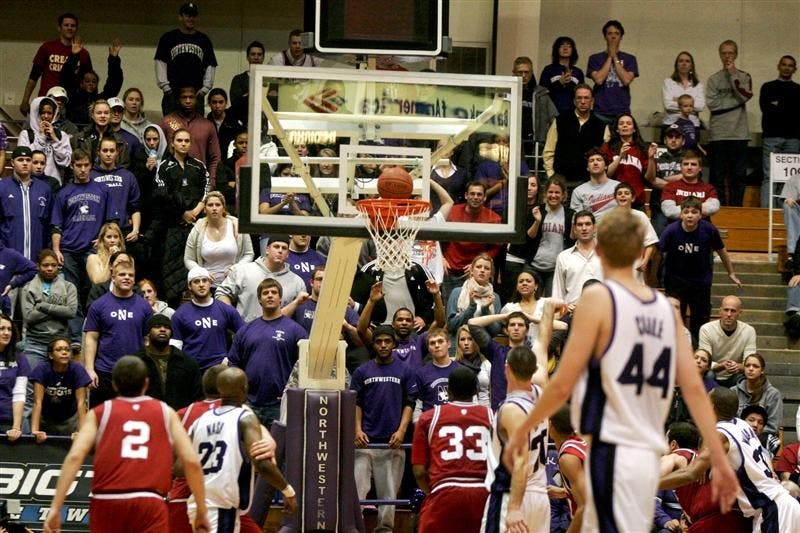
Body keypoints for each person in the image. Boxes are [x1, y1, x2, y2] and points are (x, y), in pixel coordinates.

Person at [504, 207, 740, 532]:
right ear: (640, 253)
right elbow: (696, 389)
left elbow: (562, 384)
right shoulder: (665, 307)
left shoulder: (599, 298)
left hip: (611, 445)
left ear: (599, 251)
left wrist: (524, 428)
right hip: (647, 453)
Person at [43, 356, 210, 533]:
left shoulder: (100, 412)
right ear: (146, 384)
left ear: (114, 385)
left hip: (107, 501)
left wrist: (55, 508)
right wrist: (201, 509)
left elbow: (75, 456)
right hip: (149, 501)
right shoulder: (165, 412)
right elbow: (191, 462)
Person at [660, 387, 800, 531]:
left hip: (773, 510)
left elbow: (690, 474)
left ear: (712, 406)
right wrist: (706, 457)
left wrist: (652, 485)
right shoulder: (741, 424)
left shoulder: (720, 435)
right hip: (781, 504)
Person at [187, 366, 297, 530]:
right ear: (245, 388)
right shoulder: (244, 418)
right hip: (222, 508)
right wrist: (288, 492)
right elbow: (262, 463)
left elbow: (180, 467)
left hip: (198, 505)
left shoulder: (201, 420)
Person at [483, 300, 558, 533]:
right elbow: (543, 342)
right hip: (540, 497)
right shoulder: (541, 391)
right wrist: (549, 309)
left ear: (506, 369)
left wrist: (514, 508)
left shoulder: (512, 409)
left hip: (513, 496)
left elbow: (521, 462)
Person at [351, 324, 417, 533]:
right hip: (365, 441)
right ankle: (354, 528)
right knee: (357, 492)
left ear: (394, 344)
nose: (383, 345)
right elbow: (356, 403)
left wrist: (401, 431)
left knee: (388, 496)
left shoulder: (405, 371)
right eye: (379, 341)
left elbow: (410, 403)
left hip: (392, 442)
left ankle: (385, 530)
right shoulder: (363, 371)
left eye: (387, 341)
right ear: (374, 344)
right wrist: (357, 430)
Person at [411, 366, 493, 532]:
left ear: (448, 391)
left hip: (444, 491)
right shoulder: (493, 416)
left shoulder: (428, 417)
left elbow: (419, 471)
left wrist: (431, 492)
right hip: (482, 493)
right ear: (476, 390)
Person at [51, 148, 116, 345]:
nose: (83, 169)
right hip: (69, 250)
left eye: (86, 165)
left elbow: (110, 221)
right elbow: (56, 224)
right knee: (72, 294)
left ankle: (94, 332)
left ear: (91, 166)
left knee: (94, 292)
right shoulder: (64, 193)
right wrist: (56, 249)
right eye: (78, 166)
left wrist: (102, 237)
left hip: (93, 250)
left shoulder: (102, 190)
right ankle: (75, 337)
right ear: (72, 167)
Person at [227, 278, 307, 428]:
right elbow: (233, 364)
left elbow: (305, 366)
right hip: (249, 403)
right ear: (259, 300)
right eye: (265, 293)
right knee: (249, 449)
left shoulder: (296, 331)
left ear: (280, 298)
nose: (270, 295)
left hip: (281, 404)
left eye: (274, 292)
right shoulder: (245, 330)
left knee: (279, 450)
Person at [660, 197, 741, 343]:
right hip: (675, 282)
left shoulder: (709, 230)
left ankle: (699, 353)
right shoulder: (670, 231)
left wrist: (731, 273)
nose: (690, 215)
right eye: (686, 212)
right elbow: (658, 253)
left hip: (700, 283)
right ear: (681, 214)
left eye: (694, 212)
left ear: (701, 215)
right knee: (675, 320)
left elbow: (721, 250)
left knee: (700, 321)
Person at [83, 260, 152, 407]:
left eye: (130, 275)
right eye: (122, 274)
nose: (127, 277)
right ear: (113, 278)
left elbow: (148, 340)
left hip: (135, 371)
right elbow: (91, 338)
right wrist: (89, 369)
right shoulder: (99, 305)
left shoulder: (144, 306)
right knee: (102, 421)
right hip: (105, 371)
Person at [152, 128, 209, 306]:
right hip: (173, 223)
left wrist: (197, 210)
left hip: (197, 222)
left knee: (198, 263)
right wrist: (182, 213)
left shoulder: (198, 166)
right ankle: (174, 306)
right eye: (180, 140)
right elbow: (162, 194)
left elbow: (207, 188)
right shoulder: (164, 166)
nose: (183, 144)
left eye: (186, 141)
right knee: (172, 268)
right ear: (172, 143)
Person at [706, 40, 753, 207]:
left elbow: (745, 95)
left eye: (730, 53)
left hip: (739, 134)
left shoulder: (744, 76)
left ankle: (736, 208)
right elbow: (712, 104)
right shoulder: (713, 79)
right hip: (718, 135)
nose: (727, 56)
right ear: (720, 55)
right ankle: (719, 208)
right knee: (717, 176)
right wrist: (736, 101)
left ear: (736, 54)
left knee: (738, 176)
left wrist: (733, 75)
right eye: (724, 53)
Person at [216, 235, 306, 321]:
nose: (280, 251)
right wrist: (235, 320)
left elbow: (302, 314)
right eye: (276, 246)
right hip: (245, 331)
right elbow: (222, 293)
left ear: (287, 254)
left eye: (284, 248)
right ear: (267, 249)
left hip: (280, 334)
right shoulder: (244, 271)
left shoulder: (297, 282)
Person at [171, 266, 245, 371]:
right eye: (196, 281)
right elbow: (175, 348)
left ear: (210, 283)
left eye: (204, 280)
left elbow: (245, 336)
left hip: (220, 369)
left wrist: (231, 357)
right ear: (189, 286)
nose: (201, 285)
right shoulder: (180, 314)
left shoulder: (225, 310)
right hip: (192, 370)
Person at [20, 12, 92, 115]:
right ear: (59, 28)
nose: (70, 28)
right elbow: (33, 77)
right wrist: (25, 99)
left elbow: (88, 82)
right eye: (66, 25)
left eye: (73, 26)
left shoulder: (84, 54)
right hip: (46, 99)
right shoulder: (47, 48)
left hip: (71, 103)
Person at [441, 181, 502, 300]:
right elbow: (436, 236)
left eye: (479, 194)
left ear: (484, 197)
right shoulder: (452, 212)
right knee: (450, 308)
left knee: (473, 308)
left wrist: (477, 265)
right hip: (449, 269)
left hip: (474, 272)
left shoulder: (493, 218)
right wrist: (441, 258)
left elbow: (496, 247)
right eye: (472, 194)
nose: (475, 197)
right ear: (466, 195)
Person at [155, 1, 217, 115]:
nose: (191, 18)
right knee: (172, 129)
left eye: (193, 15)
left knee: (195, 130)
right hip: (172, 95)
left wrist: (205, 89)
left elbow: (210, 65)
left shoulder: (204, 40)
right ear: (180, 17)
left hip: (196, 95)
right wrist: (166, 88)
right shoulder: (168, 38)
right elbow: (160, 63)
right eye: (187, 15)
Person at [184, 191, 254, 290]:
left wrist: (236, 268)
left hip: (234, 283)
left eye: (218, 205)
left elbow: (249, 254)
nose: (214, 208)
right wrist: (202, 272)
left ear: (223, 208)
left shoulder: (237, 225)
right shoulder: (197, 229)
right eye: (210, 205)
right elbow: (188, 259)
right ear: (204, 209)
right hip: (207, 285)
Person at [542, 84, 610, 185]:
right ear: (574, 101)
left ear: (592, 101)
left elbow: (605, 158)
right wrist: (551, 175)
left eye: (586, 98)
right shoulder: (560, 121)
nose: (582, 102)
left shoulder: (601, 126)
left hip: (589, 183)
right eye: (579, 98)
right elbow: (549, 151)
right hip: (561, 182)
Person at [21, 249, 78, 368]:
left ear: (58, 266)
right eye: (45, 265)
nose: (50, 268)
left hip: (61, 342)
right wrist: (59, 309)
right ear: (38, 266)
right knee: (32, 382)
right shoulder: (28, 288)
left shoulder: (69, 287)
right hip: (35, 343)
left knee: (61, 383)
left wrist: (43, 306)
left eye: (54, 265)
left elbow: (71, 312)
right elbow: (29, 317)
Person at [135, 314, 202, 411]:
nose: (163, 329)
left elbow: (198, 396)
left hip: (179, 418)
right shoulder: (136, 362)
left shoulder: (187, 362)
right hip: (145, 417)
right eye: (157, 326)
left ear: (171, 333)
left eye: (167, 327)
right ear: (148, 332)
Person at [30, 337, 91, 441]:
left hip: (70, 419)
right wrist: (34, 431)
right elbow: (37, 402)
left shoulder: (77, 369)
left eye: (67, 350)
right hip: (46, 418)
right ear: (50, 355)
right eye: (59, 350)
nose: (64, 353)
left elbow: (81, 403)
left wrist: (81, 432)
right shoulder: (42, 369)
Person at [159, 86, 222, 187]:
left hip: (198, 181)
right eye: (184, 97)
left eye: (191, 97)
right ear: (178, 100)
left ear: (196, 99)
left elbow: (215, 157)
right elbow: (157, 152)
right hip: (171, 181)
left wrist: (211, 181)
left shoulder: (207, 125)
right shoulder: (166, 122)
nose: (188, 101)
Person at [468, 310, 531, 410]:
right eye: (512, 324)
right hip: (500, 411)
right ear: (506, 330)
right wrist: (505, 316)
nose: (516, 328)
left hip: (526, 410)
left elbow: (563, 327)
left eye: (520, 325)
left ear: (527, 330)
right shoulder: (496, 351)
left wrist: (531, 318)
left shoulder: (533, 352)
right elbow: (472, 323)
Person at [760, 55, 800, 207]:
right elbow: (767, 109)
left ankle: (786, 210)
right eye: (784, 64)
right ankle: (766, 212)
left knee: (790, 177)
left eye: (790, 65)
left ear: (794, 69)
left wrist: (779, 105)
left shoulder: (798, 89)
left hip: (793, 139)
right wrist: (789, 108)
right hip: (772, 137)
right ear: (778, 66)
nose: (786, 67)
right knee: (769, 176)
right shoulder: (768, 87)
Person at [90, 137, 142, 243]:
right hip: (97, 233)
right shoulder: (90, 175)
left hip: (123, 232)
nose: (108, 154)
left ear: (117, 152)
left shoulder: (127, 176)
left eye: (112, 151)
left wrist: (135, 230)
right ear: (98, 152)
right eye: (105, 150)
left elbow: (135, 207)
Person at [529, 176, 575, 296]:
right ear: (545, 193)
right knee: (531, 302)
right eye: (550, 192)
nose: (553, 195)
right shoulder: (538, 211)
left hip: (555, 269)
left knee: (552, 304)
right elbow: (530, 236)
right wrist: (537, 221)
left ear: (563, 195)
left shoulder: (570, 214)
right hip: (534, 265)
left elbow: (572, 239)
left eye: (557, 192)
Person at [61, 38, 123, 127]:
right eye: (87, 81)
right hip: (74, 133)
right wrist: (74, 56)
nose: (91, 84)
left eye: (94, 81)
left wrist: (114, 59)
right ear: (81, 83)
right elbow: (66, 78)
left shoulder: (100, 100)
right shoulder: (72, 98)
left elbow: (114, 83)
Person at [697, 295, 757, 387]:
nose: (729, 314)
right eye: (726, 310)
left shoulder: (749, 331)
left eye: (733, 311)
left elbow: (749, 362)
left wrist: (737, 366)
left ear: (739, 313)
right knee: (707, 375)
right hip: (714, 373)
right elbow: (705, 361)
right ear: (720, 311)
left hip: (735, 375)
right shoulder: (706, 329)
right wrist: (722, 366)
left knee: (747, 378)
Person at [586, 20, 638, 122]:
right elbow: (599, 80)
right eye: (610, 33)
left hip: (622, 111)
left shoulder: (630, 58)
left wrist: (615, 57)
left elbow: (626, 80)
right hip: (600, 111)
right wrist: (610, 56)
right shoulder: (595, 58)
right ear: (605, 36)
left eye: (617, 33)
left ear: (621, 37)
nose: (613, 36)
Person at [552, 210, 603, 309]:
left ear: (595, 228)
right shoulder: (564, 257)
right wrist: (563, 308)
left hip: (603, 311)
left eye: (588, 224)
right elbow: (558, 292)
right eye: (580, 225)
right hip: (573, 313)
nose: (584, 228)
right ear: (574, 229)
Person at [549, 405, 587, 533]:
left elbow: (586, 506)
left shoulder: (568, 457)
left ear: (550, 425)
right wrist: (564, 492)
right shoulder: (579, 443)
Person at [17, 96, 73, 183]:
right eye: (42, 112)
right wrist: (42, 137)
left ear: (54, 114)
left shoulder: (62, 135)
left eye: (49, 113)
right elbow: (23, 162)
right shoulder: (26, 135)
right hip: (30, 183)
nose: (46, 116)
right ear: (36, 113)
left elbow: (65, 162)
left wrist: (55, 139)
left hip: (53, 184)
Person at [601, 114, 650, 208]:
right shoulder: (607, 148)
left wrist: (651, 158)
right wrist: (620, 157)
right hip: (612, 200)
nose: (625, 125)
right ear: (616, 129)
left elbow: (649, 178)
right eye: (621, 123)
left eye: (628, 123)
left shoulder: (643, 149)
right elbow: (605, 175)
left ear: (634, 129)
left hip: (637, 199)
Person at [447, 253, 502, 337]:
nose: (482, 270)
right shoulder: (457, 292)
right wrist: (471, 308)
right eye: (478, 267)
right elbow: (451, 326)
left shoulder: (494, 297)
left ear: (491, 274)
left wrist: (485, 310)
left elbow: (495, 331)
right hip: (459, 343)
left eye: (486, 268)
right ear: (471, 271)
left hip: (484, 345)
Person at [512, 56, 558, 156]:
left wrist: (548, 139)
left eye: (527, 72)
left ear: (532, 73)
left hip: (535, 144)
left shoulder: (541, 94)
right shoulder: (507, 93)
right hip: (511, 142)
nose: (524, 75)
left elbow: (554, 119)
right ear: (514, 72)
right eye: (520, 72)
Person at [612, 182, 658, 278]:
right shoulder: (609, 218)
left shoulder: (640, 216)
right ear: (615, 198)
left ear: (632, 198)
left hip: (635, 265)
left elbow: (650, 242)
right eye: (619, 193)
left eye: (626, 193)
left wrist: (645, 261)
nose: (623, 195)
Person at [646, 125, 686, 235]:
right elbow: (651, 180)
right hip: (659, 207)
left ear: (683, 141)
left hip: (682, 206)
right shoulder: (657, 159)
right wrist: (650, 158)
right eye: (670, 137)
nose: (673, 140)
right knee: (659, 241)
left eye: (677, 137)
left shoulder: (689, 158)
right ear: (665, 140)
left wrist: (662, 180)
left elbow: (687, 178)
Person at [732, 354, 783, 436]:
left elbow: (773, 427)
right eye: (747, 366)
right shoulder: (734, 391)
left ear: (762, 370)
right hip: (737, 437)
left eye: (755, 366)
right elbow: (729, 420)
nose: (751, 369)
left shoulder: (773, 394)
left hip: (761, 439)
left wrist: (750, 433)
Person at [413, 327, 457, 418]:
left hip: (456, 425)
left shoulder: (462, 371)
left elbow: (472, 403)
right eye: (432, 343)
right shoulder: (421, 373)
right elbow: (417, 407)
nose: (437, 345)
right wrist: (420, 428)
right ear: (428, 348)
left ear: (448, 344)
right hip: (431, 426)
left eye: (440, 341)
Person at [0, 314, 29, 441]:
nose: (7, 333)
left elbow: (19, 394)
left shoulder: (20, 359)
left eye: (9, 329)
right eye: (2, 329)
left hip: (7, 420)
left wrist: (16, 427)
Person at [570, 149, 620, 219]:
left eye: (599, 160)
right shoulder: (578, 192)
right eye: (591, 161)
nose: (595, 163)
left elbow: (626, 213)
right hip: (591, 229)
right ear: (587, 168)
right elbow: (577, 220)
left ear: (606, 166)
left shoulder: (618, 187)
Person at [539, 36, 585, 114]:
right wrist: (559, 82)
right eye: (562, 46)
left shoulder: (578, 72)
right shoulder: (548, 70)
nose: (565, 48)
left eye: (569, 46)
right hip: (552, 111)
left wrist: (570, 83)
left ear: (573, 50)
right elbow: (542, 92)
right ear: (556, 49)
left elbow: (582, 93)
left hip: (573, 113)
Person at [662, 51, 706, 127]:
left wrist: (677, 100)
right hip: (671, 124)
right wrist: (690, 104)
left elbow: (700, 107)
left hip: (692, 125)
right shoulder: (668, 82)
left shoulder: (698, 85)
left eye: (687, 61)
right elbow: (668, 105)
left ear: (691, 66)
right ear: (676, 65)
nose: (684, 64)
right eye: (681, 61)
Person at [453, 325, 490, 407]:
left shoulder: (486, 364)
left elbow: (494, 392)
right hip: (461, 410)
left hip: (485, 410)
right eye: (462, 339)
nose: (466, 343)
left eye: (470, 339)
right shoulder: (453, 365)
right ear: (458, 343)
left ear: (477, 341)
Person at [229, 41, 265, 116]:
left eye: (259, 54)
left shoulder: (268, 79)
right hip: (243, 118)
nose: (256, 57)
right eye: (253, 54)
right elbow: (235, 103)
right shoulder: (239, 79)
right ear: (247, 57)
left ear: (263, 57)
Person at [206, 88, 243, 158]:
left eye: (221, 102)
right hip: (210, 163)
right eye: (214, 102)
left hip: (230, 163)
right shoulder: (205, 124)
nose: (217, 106)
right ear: (209, 103)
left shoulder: (235, 124)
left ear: (226, 103)